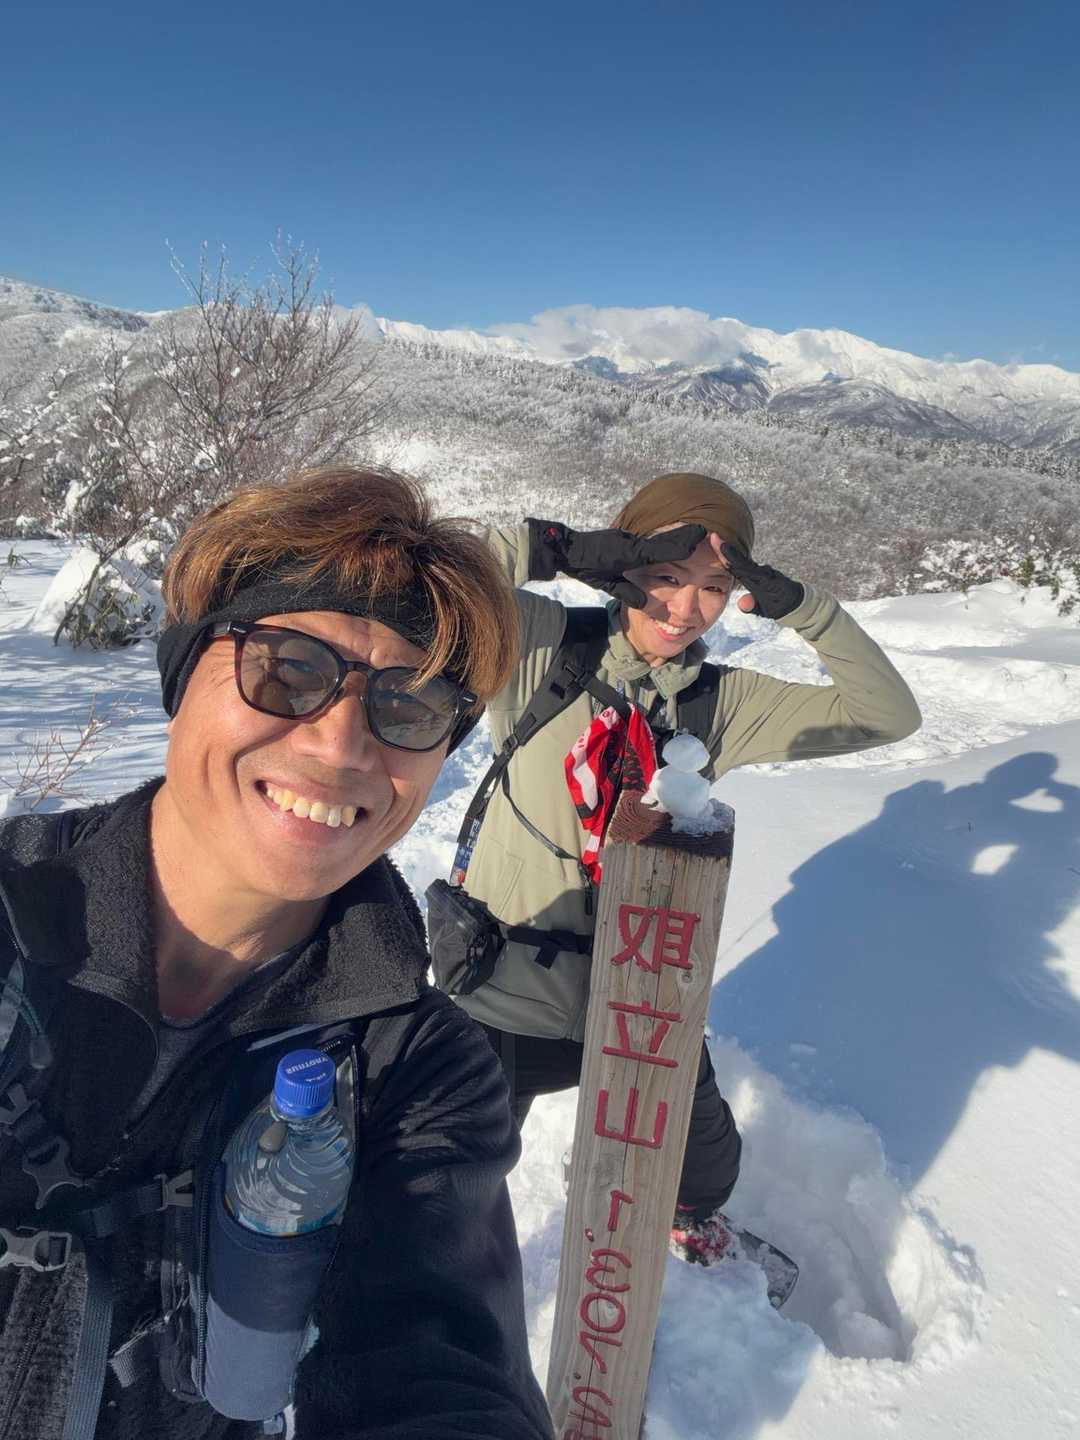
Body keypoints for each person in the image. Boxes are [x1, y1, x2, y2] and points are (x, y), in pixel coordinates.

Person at [0, 467, 554, 1440]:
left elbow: (441, 1373)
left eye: (410, 707)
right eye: (287, 669)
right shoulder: (12, 910)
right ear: (184, 669)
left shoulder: (411, 1071)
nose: (340, 747)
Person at [435, 470, 921, 1260]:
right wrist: (560, 549)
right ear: (625, 567)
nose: (685, 607)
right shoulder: (542, 646)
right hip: (506, 989)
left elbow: (886, 715)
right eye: (664, 574)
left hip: (641, 993)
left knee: (705, 1165)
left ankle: (684, 1227)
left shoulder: (717, 704)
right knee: (449, 1185)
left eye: (714, 586)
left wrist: (804, 608)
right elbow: (432, 587)